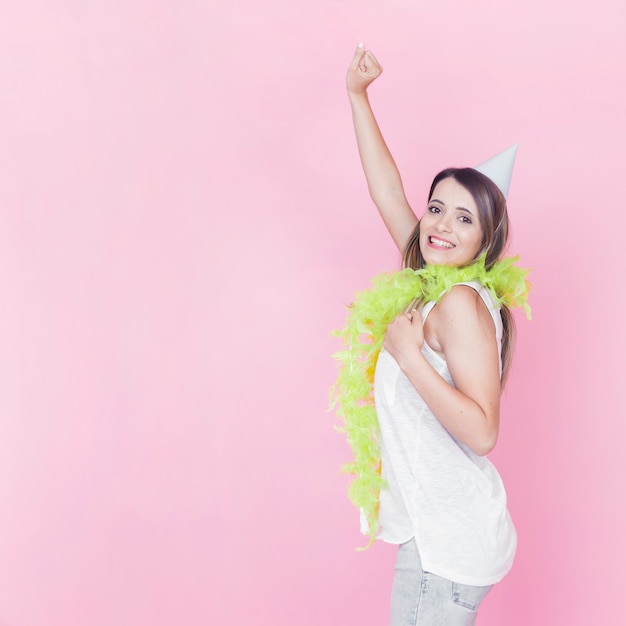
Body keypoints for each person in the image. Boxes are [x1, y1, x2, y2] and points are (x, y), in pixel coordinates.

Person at [334, 44, 531, 625]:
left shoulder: (462, 302)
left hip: (445, 547)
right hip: (441, 536)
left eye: (464, 217)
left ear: (485, 241)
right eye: (436, 208)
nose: (442, 225)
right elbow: (387, 193)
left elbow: (484, 430)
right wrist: (357, 96)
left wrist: (408, 356)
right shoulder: (432, 283)